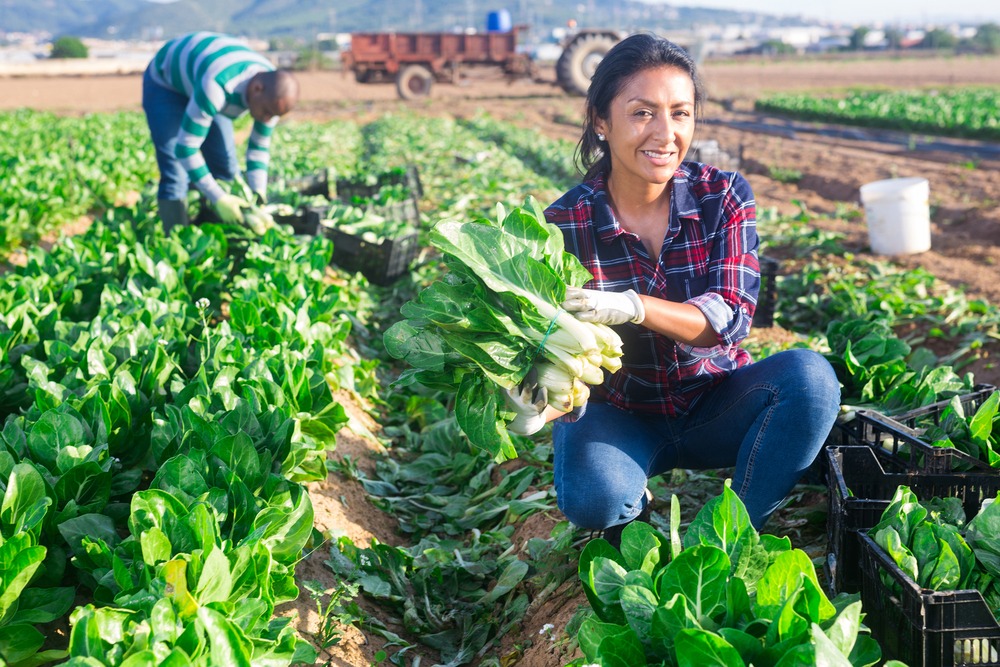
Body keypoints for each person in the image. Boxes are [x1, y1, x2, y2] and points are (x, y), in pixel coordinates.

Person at [505, 33, 840, 547]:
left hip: (716, 401)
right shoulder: (563, 224)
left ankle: (731, 538)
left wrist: (634, 307)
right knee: (593, 498)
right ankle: (633, 513)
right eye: (642, 113)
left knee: (811, 381)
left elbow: (728, 318)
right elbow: (555, 353)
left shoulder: (722, 196)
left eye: (680, 113)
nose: (665, 134)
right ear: (601, 120)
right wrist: (536, 406)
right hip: (620, 413)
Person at [142, 32, 300, 233]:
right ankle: (177, 240)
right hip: (166, 86)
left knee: (224, 166)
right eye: (267, 113)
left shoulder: (274, 95)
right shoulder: (218, 86)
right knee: (175, 173)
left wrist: (258, 192)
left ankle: (214, 232)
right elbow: (185, 148)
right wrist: (219, 198)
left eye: (274, 115)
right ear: (257, 88)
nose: (267, 119)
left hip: (200, 80)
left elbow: (258, 148)